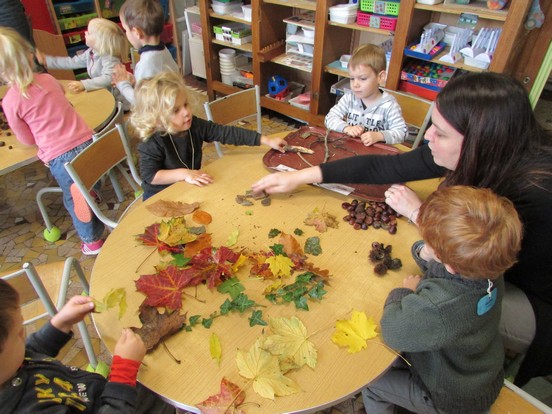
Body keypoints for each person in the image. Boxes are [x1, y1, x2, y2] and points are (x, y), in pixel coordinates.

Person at [252, 72, 552, 386]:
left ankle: (426, 376)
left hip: (527, 297)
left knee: (417, 305)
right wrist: (301, 176)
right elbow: (383, 166)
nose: (428, 138)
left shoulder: (536, 196)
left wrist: (423, 216)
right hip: (480, 263)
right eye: (432, 124)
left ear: (480, 142)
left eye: (442, 133)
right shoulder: (481, 151)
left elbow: (479, 267)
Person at [362, 186, 523, 414]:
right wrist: (427, 253)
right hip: (478, 373)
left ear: (449, 263)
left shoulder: (441, 306)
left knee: (372, 385)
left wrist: (404, 293)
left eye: (429, 242)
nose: (424, 243)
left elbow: (394, 331)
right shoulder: (488, 266)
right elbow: (448, 270)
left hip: (448, 398)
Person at [0, 27, 105, 255]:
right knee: (89, 174)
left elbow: (26, 139)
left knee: (73, 199)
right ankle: (90, 190)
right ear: (29, 56)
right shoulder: (47, 79)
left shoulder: (10, 101)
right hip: (87, 140)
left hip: (60, 156)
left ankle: (92, 241)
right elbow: (62, 97)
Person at [0, 279, 175, 413]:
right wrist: (123, 372)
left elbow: (31, 352)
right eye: (18, 333)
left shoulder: (9, 365)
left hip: (105, 392)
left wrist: (59, 325)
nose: (24, 332)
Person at [131, 71, 287, 200]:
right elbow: (151, 176)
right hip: (160, 196)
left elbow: (226, 133)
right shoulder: (151, 142)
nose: (186, 112)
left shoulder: (195, 125)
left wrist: (266, 140)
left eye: (185, 104)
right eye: (175, 110)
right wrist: (184, 174)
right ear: (157, 119)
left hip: (188, 186)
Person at [36, 18, 130, 110]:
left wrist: (84, 84)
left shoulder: (110, 58)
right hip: (104, 96)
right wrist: (47, 61)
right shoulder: (90, 52)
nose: (85, 33)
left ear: (99, 41)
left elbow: (109, 78)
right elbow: (72, 62)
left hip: (118, 104)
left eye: (88, 33)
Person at [325, 44, 407, 146]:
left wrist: (379, 136)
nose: (355, 84)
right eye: (352, 78)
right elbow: (329, 118)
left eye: (362, 79)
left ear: (380, 77)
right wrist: (347, 128)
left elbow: (402, 133)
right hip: (350, 148)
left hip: (376, 155)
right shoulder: (349, 98)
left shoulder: (389, 105)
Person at [112, 0, 179, 106]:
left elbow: (141, 101)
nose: (126, 34)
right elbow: (157, 83)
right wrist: (135, 81)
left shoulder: (147, 63)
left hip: (161, 117)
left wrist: (122, 84)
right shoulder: (163, 51)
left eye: (126, 30)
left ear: (136, 32)